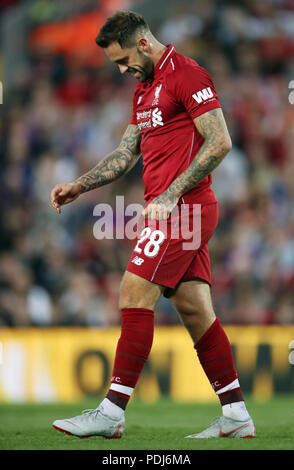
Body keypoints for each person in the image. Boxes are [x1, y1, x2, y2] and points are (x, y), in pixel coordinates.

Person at [51, 10, 255, 439]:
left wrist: (170, 194)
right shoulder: (144, 90)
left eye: (124, 60)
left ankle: (111, 412)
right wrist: (79, 186)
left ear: (143, 43)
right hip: (172, 209)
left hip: (185, 209)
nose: (123, 70)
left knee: (133, 291)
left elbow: (220, 142)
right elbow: (126, 154)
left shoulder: (188, 74)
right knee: (195, 309)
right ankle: (236, 413)